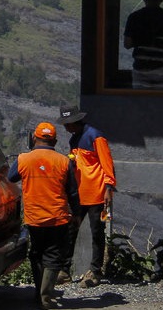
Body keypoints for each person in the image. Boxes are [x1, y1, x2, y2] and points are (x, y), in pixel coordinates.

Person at [9, 122, 78, 309]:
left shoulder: (24, 159)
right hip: (58, 217)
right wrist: (76, 214)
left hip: (34, 218)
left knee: (37, 254)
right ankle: (46, 297)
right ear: (54, 141)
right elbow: (72, 192)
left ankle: (38, 295)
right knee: (54, 256)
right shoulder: (64, 161)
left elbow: (11, 177)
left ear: (34, 138)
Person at [56, 105, 115, 287]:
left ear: (75, 122)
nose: (66, 127)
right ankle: (64, 270)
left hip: (97, 193)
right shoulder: (74, 139)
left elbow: (107, 163)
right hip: (78, 193)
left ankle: (95, 272)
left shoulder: (95, 136)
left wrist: (108, 188)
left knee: (97, 232)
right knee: (70, 230)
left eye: (68, 124)